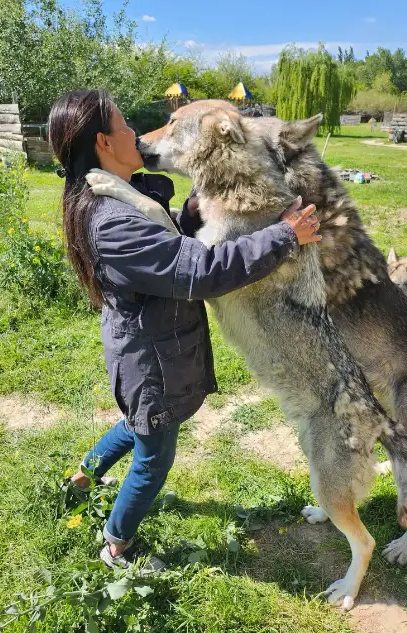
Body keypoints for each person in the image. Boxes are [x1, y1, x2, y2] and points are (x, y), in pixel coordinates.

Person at [48, 89, 321, 572]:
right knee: (153, 456)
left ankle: (83, 477)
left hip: (149, 344)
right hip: (152, 360)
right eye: (126, 125)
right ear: (105, 143)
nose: (137, 132)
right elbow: (200, 271)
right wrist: (284, 235)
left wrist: (187, 217)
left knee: (138, 425)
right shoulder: (112, 221)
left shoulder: (113, 200)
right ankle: (116, 546)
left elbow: (160, 241)